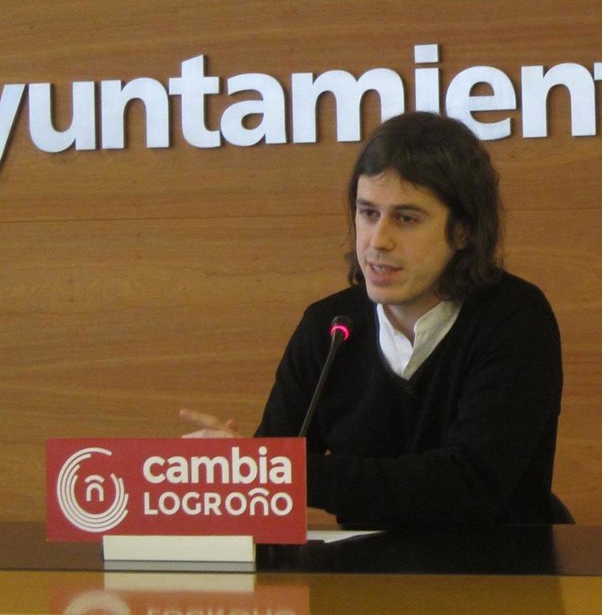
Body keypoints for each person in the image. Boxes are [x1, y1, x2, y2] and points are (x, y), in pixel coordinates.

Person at [181, 112, 566, 526]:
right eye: (367, 213)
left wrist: (283, 471)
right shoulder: (329, 327)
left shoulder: (514, 319)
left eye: (406, 218)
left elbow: (469, 485)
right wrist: (234, 466)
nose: (378, 241)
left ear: (463, 232)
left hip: (503, 578)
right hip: (363, 579)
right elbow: (274, 483)